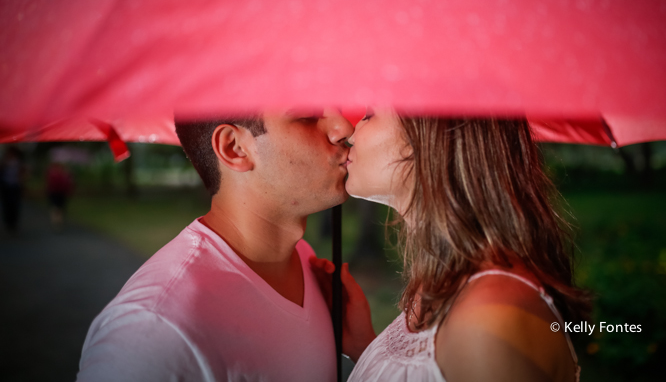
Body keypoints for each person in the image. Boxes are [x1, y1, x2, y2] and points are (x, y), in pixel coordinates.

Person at [311, 109, 591, 382]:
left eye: (370, 114)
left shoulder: (489, 317)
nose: (349, 131)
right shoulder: (448, 284)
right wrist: (365, 349)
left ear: (429, 134)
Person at [77, 109, 353, 381]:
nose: (343, 127)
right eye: (307, 114)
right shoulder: (153, 330)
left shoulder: (305, 261)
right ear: (234, 148)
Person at [0, 146, 26, 236]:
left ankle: (13, 224)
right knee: (7, 205)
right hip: (6, 185)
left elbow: (22, 172)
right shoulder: (5, 161)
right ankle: (8, 223)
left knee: (14, 205)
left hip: (15, 185)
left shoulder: (18, 161)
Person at [46, 162, 74, 228]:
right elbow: (69, 183)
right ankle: (59, 222)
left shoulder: (51, 172)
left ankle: (55, 222)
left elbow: (48, 183)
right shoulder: (65, 173)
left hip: (53, 192)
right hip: (61, 193)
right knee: (60, 208)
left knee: (55, 208)